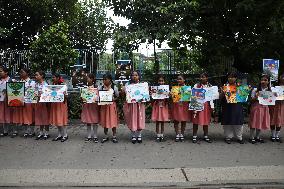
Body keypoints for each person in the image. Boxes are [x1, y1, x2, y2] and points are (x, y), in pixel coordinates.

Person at [220, 72, 244, 144]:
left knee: (238, 122)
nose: (231, 78)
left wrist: (245, 92)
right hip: (227, 106)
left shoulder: (240, 86)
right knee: (227, 121)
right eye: (229, 77)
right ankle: (228, 137)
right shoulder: (224, 86)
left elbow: (243, 98)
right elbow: (220, 97)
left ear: (236, 78)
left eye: (233, 77)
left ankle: (239, 137)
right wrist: (222, 92)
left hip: (237, 106)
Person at [123, 71, 146, 144]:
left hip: (139, 105)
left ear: (139, 76)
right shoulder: (128, 84)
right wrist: (123, 90)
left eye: (136, 75)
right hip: (131, 105)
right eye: (133, 75)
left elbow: (145, 95)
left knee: (139, 119)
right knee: (132, 119)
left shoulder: (142, 85)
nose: (134, 76)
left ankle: (139, 135)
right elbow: (125, 94)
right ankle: (133, 135)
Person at [191, 73, 213, 143]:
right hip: (197, 104)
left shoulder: (210, 86)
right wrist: (194, 106)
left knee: (206, 120)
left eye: (203, 77)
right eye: (200, 77)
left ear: (207, 78)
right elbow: (193, 95)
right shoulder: (196, 85)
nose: (201, 78)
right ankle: (194, 136)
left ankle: (206, 136)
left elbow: (212, 98)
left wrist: (212, 106)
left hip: (206, 105)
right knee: (195, 120)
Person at [99, 73, 119, 143]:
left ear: (110, 80)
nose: (104, 81)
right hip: (104, 107)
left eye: (106, 79)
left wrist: (113, 99)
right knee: (105, 121)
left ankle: (114, 136)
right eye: (103, 79)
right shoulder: (101, 88)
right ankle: (105, 136)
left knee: (113, 121)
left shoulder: (114, 87)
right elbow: (98, 96)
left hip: (112, 107)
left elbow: (117, 96)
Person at [171, 75, 191, 142]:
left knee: (183, 120)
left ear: (184, 80)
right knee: (176, 120)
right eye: (178, 79)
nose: (179, 80)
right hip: (176, 106)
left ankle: (182, 134)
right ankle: (177, 134)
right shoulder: (174, 88)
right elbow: (172, 98)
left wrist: (190, 95)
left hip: (184, 106)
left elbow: (189, 99)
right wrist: (171, 95)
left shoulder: (187, 88)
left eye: (180, 79)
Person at [81, 73, 100, 143]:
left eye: (88, 78)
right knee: (88, 121)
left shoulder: (96, 87)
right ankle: (89, 136)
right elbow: (82, 96)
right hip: (87, 106)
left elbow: (99, 96)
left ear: (92, 79)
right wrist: (82, 98)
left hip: (94, 106)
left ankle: (95, 136)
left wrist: (96, 99)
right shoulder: (84, 87)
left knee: (95, 121)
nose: (87, 79)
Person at [50, 73, 69, 142]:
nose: (53, 78)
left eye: (54, 77)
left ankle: (65, 135)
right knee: (57, 119)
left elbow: (67, 96)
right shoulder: (52, 86)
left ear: (58, 78)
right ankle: (59, 135)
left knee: (62, 119)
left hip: (61, 105)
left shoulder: (63, 85)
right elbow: (51, 95)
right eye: (53, 77)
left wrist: (64, 95)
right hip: (55, 104)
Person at [151, 75, 170, 142]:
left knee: (162, 121)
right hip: (157, 107)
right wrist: (152, 95)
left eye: (162, 81)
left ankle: (162, 134)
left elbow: (168, 100)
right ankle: (157, 134)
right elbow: (152, 100)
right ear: (157, 81)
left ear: (164, 81)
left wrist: (168, 95)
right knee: (157, 121)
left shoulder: (166, 89)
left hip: (163, 106)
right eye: (159, 81)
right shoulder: (155, 89)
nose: (161, 82)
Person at [34, 70, 50, 140]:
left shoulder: (46, 84)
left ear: (42, 76)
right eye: (35, 75)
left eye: (37, 75)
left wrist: (41, 95)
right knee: (39, 117)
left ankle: (46, 133)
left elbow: (48, 95)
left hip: (44, 104)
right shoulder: (36, 84)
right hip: (38, 103)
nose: (36, 76)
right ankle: (41, 133)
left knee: (45, 117)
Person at [270, 73, 284, 143]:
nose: (283, 78)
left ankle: (277, 135)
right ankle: (272, 135)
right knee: (272, 119)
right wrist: (273, 93)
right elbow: (269, 94)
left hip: (282, 105)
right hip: (274, 105)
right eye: (282, 76)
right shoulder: (274, 85)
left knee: (279, 120)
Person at [0, 66, 12, 137]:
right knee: (1, 115)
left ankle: (11, 130)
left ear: (6, 72)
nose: (0, 73)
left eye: (1, 71)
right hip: (1, 101)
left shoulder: (10, 80)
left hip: (8, 101)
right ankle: (4, 131)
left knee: (7, 114)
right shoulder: (0, 80)